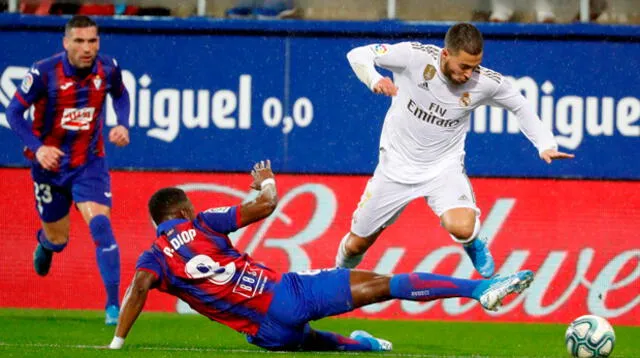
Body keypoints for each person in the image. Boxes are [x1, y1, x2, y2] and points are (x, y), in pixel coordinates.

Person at [108, 160, 535, 352]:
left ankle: (363, 348)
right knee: (386, 285)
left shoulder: (153, 258)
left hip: (263, 335)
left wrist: (117, 342)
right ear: (182, 210)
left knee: (312, 342)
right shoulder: (201, 222)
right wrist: (267, 182)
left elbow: (138, 289)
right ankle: (481, 288)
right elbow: (265, 206)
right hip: (284, 295)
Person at [335, 23, 574, 277]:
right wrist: (374, 79)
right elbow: (358, 54)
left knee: (462, 227)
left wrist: (545, 143)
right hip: (394, 169)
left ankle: (472, 243)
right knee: (356, 245)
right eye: (464, 67)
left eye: (475, 66)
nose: (469, 74)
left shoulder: (486, 82)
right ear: (446, 54)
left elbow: (519, 105)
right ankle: (332, 278)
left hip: (442, 170)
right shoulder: (413, 57)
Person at [5, 15, 130, 325]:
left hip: (89, 163)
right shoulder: (44, 72)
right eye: (79, 41)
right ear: (65, 43)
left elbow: (121, 95)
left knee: (101, 227)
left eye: (92, 41)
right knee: (59, 239)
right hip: (49, 167)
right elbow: (13, 112)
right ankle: (46, 245)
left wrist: (122, 123)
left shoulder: (109, 68)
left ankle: (114, 308)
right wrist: (38, 148)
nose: (87, 48)